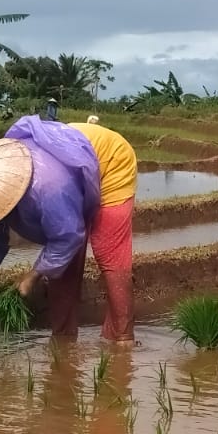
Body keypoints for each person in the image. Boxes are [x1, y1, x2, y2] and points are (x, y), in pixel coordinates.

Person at [0, 116, 100, 337]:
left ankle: (118, 338)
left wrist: (33, 276)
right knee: (61, 270)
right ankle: (64, 338)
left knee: (96, 257)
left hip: (103, 158)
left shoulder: (50, 187)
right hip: (61, 162)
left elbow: (68, 236)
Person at [65, 117, 138, 343]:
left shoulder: (43, 182)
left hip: (113, 162)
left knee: (109, 251)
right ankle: (63, 337)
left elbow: (62, 239)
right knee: (68, 263)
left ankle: (123, 337)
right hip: (74, 172)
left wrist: (33, 275)